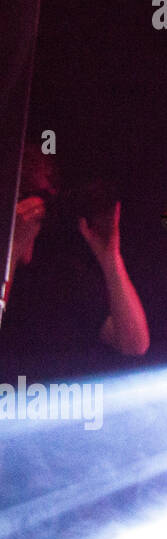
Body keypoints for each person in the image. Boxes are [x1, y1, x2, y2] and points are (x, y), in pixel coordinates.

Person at [0, 143, 149, 381]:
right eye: (27, 195)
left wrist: (110, 258)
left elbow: (134, 344)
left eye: (43, 196)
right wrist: (12, 247)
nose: (36, 207)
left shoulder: (60, 270)